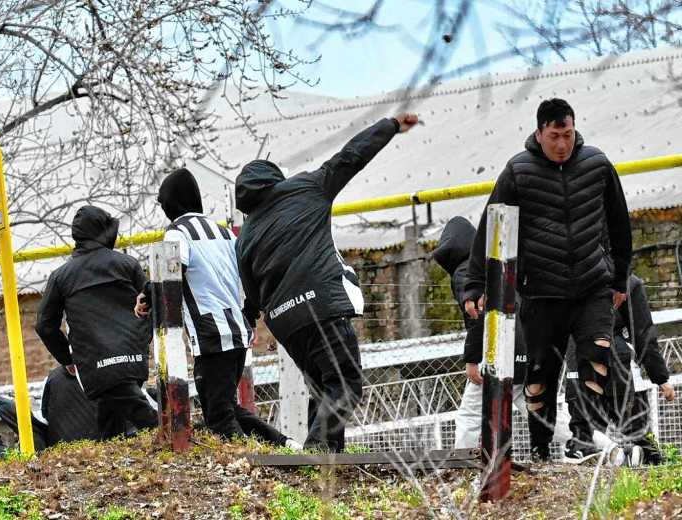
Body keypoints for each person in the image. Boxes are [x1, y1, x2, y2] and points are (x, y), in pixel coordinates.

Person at [235, 113, 419, 452]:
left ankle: (326, 462)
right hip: (320, 304)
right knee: (345, 384)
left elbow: (251, 293)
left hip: (286, 322)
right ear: (276, 180)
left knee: (323, 388)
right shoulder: (306, 188)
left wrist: (252, 319)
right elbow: (352, 155)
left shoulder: (245, 236)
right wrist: (390, 125)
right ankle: (317, 451)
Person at [464, 99, 633, 462]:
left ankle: (584, 441)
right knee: (540, 375)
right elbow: (490, 227)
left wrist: (620, 279)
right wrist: (475, 284)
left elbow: (621, 225)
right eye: (555, 136)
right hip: (540, 291)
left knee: (596, 359)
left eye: (568, 135)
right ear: (539, 133)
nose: (562, 144)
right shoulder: (517, 171)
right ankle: (541, 449)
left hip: (592, 286)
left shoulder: (598, 165)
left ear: (575, 130)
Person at [134, 168, 289, 446]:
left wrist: (147, 294)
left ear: (171, 202)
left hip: (210, 334)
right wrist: (251, 314)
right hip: (239, 332)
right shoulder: (225, 233)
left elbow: (171, 270)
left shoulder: (176, 233)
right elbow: (251, 275)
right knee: (228, 409)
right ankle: (284, 444)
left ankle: (251, 463)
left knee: (218, 417)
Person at [35, 205, 158, 440]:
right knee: (111, 412)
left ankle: (172, 436)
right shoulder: (128, 264)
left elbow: (44, 325)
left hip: (94, 361)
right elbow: (152, 304)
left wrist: (67, 358)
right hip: (133, 356)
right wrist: (141, 341)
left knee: (134, 410)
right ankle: (110, 450)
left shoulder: (61, 276)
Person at [432, 217, 529, 449]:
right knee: (536, 408)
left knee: (469, 415)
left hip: (495, 352)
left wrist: (472, 359)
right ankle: (599, 445)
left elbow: (477, 316)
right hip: (521, 346)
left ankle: (461, 468)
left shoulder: (465, 272)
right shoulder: (495, 264)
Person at [564, 274, 676, 464]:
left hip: (580, 359)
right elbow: (643, 334)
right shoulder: (628, 283)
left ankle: (617, 456)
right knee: (636, 434)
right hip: (612, 363)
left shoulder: (569, 278)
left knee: (585, 436)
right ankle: (635, 457)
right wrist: (661, 378)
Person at [41, 365, 99, 446]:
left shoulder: (52, 378)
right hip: (98, 448)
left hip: (62, 450)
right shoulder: (100, 371)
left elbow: (44, 414)